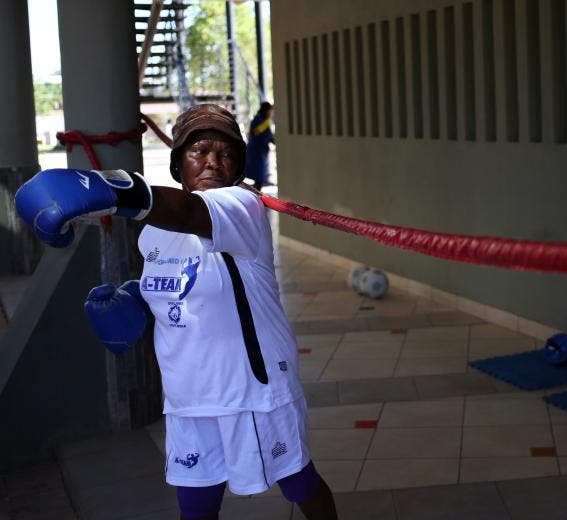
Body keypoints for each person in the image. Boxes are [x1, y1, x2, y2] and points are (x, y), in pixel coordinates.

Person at [14, 104, 338, 520]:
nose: (212, 162)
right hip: (188, 396)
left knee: (299, 483)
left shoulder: (242, 206)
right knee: (196, 505)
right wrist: (136, 303)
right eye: (199, 151)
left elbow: (187, 212)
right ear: (177, 163)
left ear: (238, 166)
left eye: (225, 154)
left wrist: (111, 189)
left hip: (252, 390)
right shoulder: (152, 235)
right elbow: (175, 288)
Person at [244, 101, 275, 187]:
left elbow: (268, 135)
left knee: (260, 176)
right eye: (270, 110)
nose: (271, 113)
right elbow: (254, 132)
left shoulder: (265, 120)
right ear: (265, 110)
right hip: (256, 150)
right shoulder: (259, 119)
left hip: (261, 150)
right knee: (258, 175)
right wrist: (265, 125)